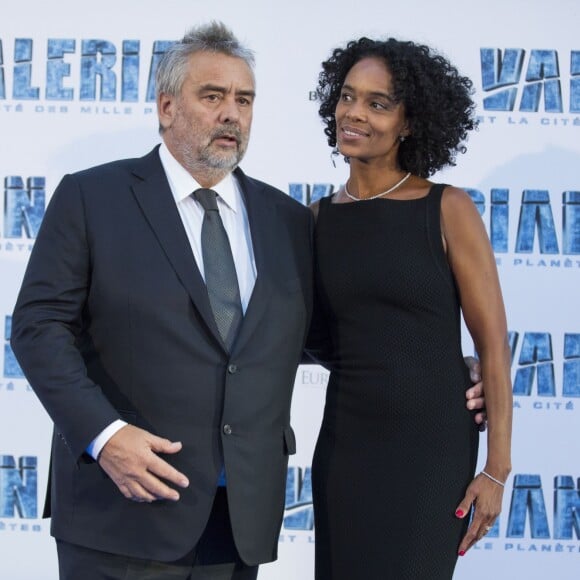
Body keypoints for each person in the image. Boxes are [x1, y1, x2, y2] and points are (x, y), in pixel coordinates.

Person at [10, 22, 486, 580]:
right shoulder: (92, 197)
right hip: (122, 508)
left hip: (237, 521)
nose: (231, 113)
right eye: (211, 97)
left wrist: (444, 367)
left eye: (244, 99)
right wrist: (103, 435)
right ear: (166, 107)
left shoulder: (286, 219)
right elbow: (38, 327)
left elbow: (325, 337)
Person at [308, 36, 513, 580]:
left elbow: (492, 344)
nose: (354, 113)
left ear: (409, 123)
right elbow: (314, 337)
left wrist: (496, 470)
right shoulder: (315, 220)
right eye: (348, 97)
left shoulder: (446, 208)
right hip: (346, 444)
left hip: (432, 448)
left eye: (378, 104)